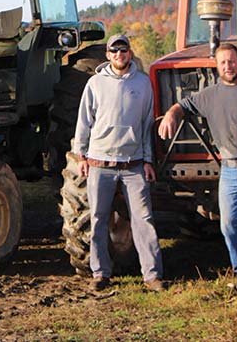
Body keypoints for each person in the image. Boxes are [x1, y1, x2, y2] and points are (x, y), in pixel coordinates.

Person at [158, 43, 237, 293]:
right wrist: (171, 114)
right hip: (228, 170)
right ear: (217, 67)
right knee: (229, 224)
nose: (228, 66)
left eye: (232, 61)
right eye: (223, 63)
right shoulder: (210, 95)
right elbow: (184, 105)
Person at [73, 34, 164, 292]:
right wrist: (81, 155)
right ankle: (100, 272)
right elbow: (84, 122)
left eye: (123, 50)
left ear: (129, 53)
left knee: (143, 218)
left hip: (133, 165)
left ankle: (152, 275)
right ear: (108, 55)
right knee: (98, 218)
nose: (119, 55)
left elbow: (147, 124)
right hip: (100, 163)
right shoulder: (95, 84)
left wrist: (147, 160)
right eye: (114, 51)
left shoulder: (143, 84)